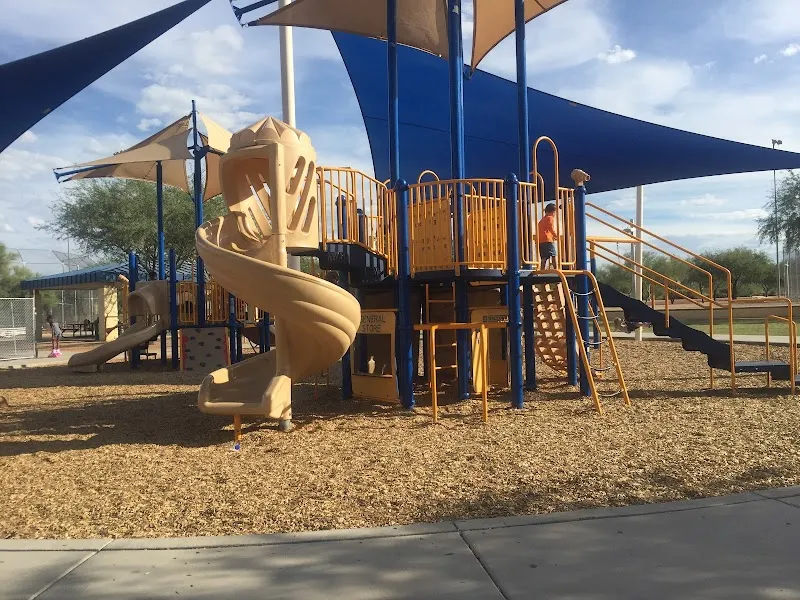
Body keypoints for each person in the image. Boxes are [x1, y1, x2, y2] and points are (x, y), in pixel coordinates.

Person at [537, 203, 558, 269]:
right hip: (548, 240)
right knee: (553, 254)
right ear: (553, 212)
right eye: (554, 212)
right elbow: (550, 228)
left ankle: (542, 269)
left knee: (544, 257)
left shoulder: (542, 220)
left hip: (541, 241)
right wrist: (556, 235)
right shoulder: (550, 218)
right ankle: (556, 269)